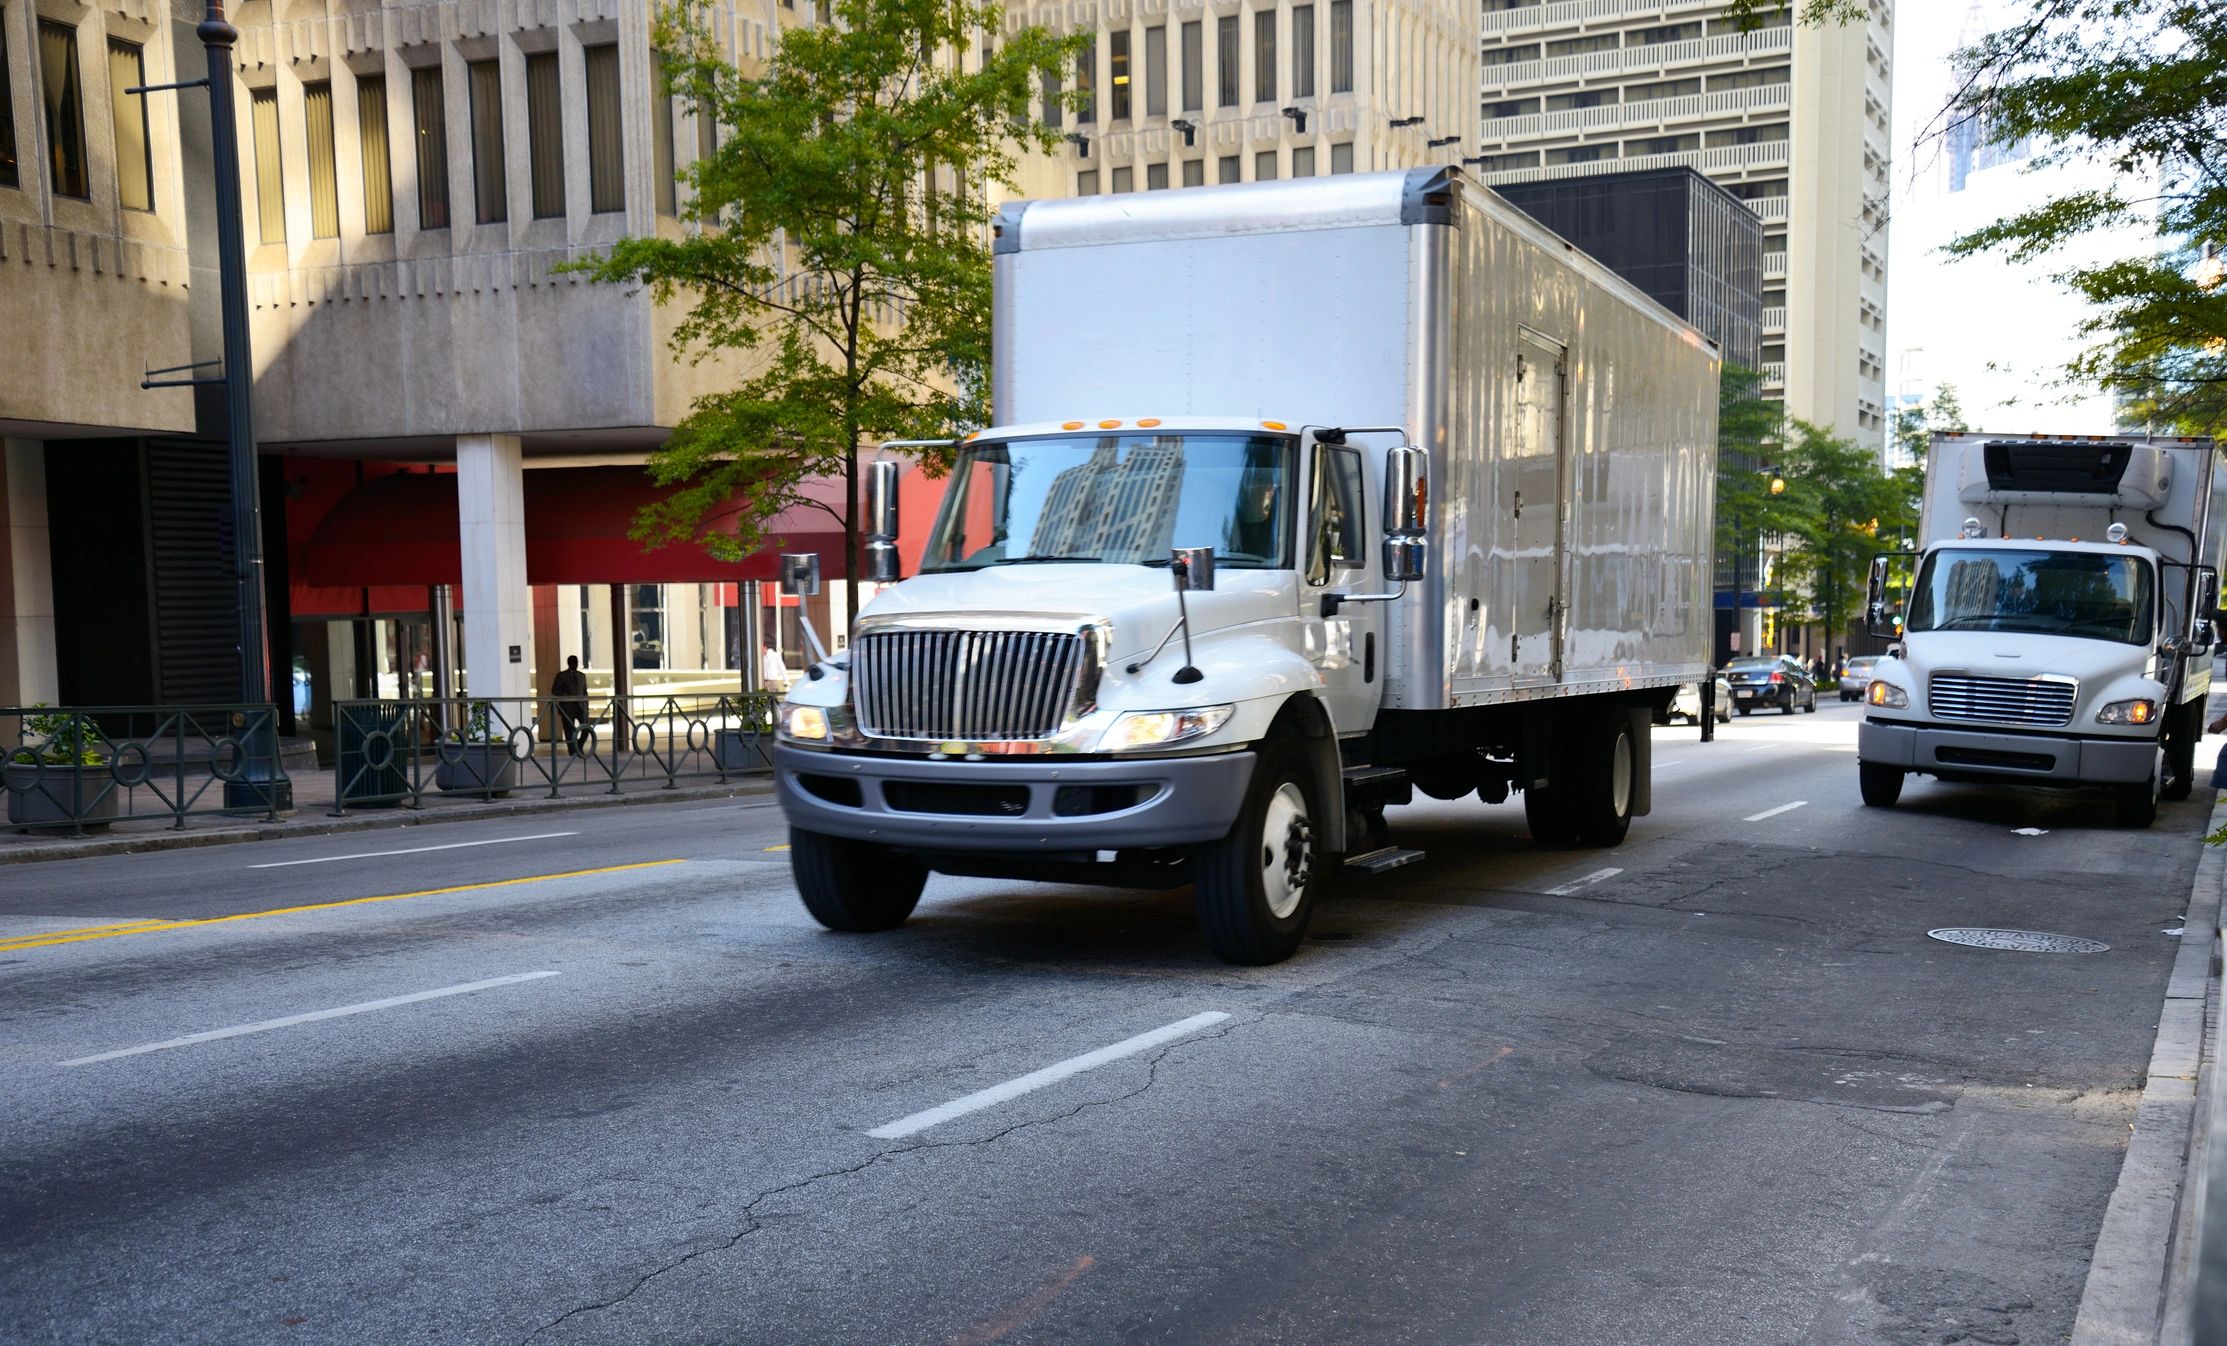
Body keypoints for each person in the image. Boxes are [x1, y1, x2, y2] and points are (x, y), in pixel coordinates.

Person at [551, 656, 589, 756]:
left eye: (576, 662)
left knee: (586, 729)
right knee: (569, 731)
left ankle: (578, 747)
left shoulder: (582, 676)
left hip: (580, 706)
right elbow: (555, 690)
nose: (575, 664)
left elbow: (585, 692)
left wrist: (586, 707)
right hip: (567, 707)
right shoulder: (561, 676)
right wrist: (566, 695)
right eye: (573, 662)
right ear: (569, 663)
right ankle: (572, 751)